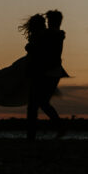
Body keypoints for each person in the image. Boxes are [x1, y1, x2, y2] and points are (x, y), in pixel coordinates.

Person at [22, 10, 67, 140]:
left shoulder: (51, 35)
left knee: (36, 104)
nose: (48, 23)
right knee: (40, 103)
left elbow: (33, 48)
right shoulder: (56, 34)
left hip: (46, 73)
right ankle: (55, 128)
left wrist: (31, 46)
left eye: (49, 21)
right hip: (50, 72)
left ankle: (33, 135)